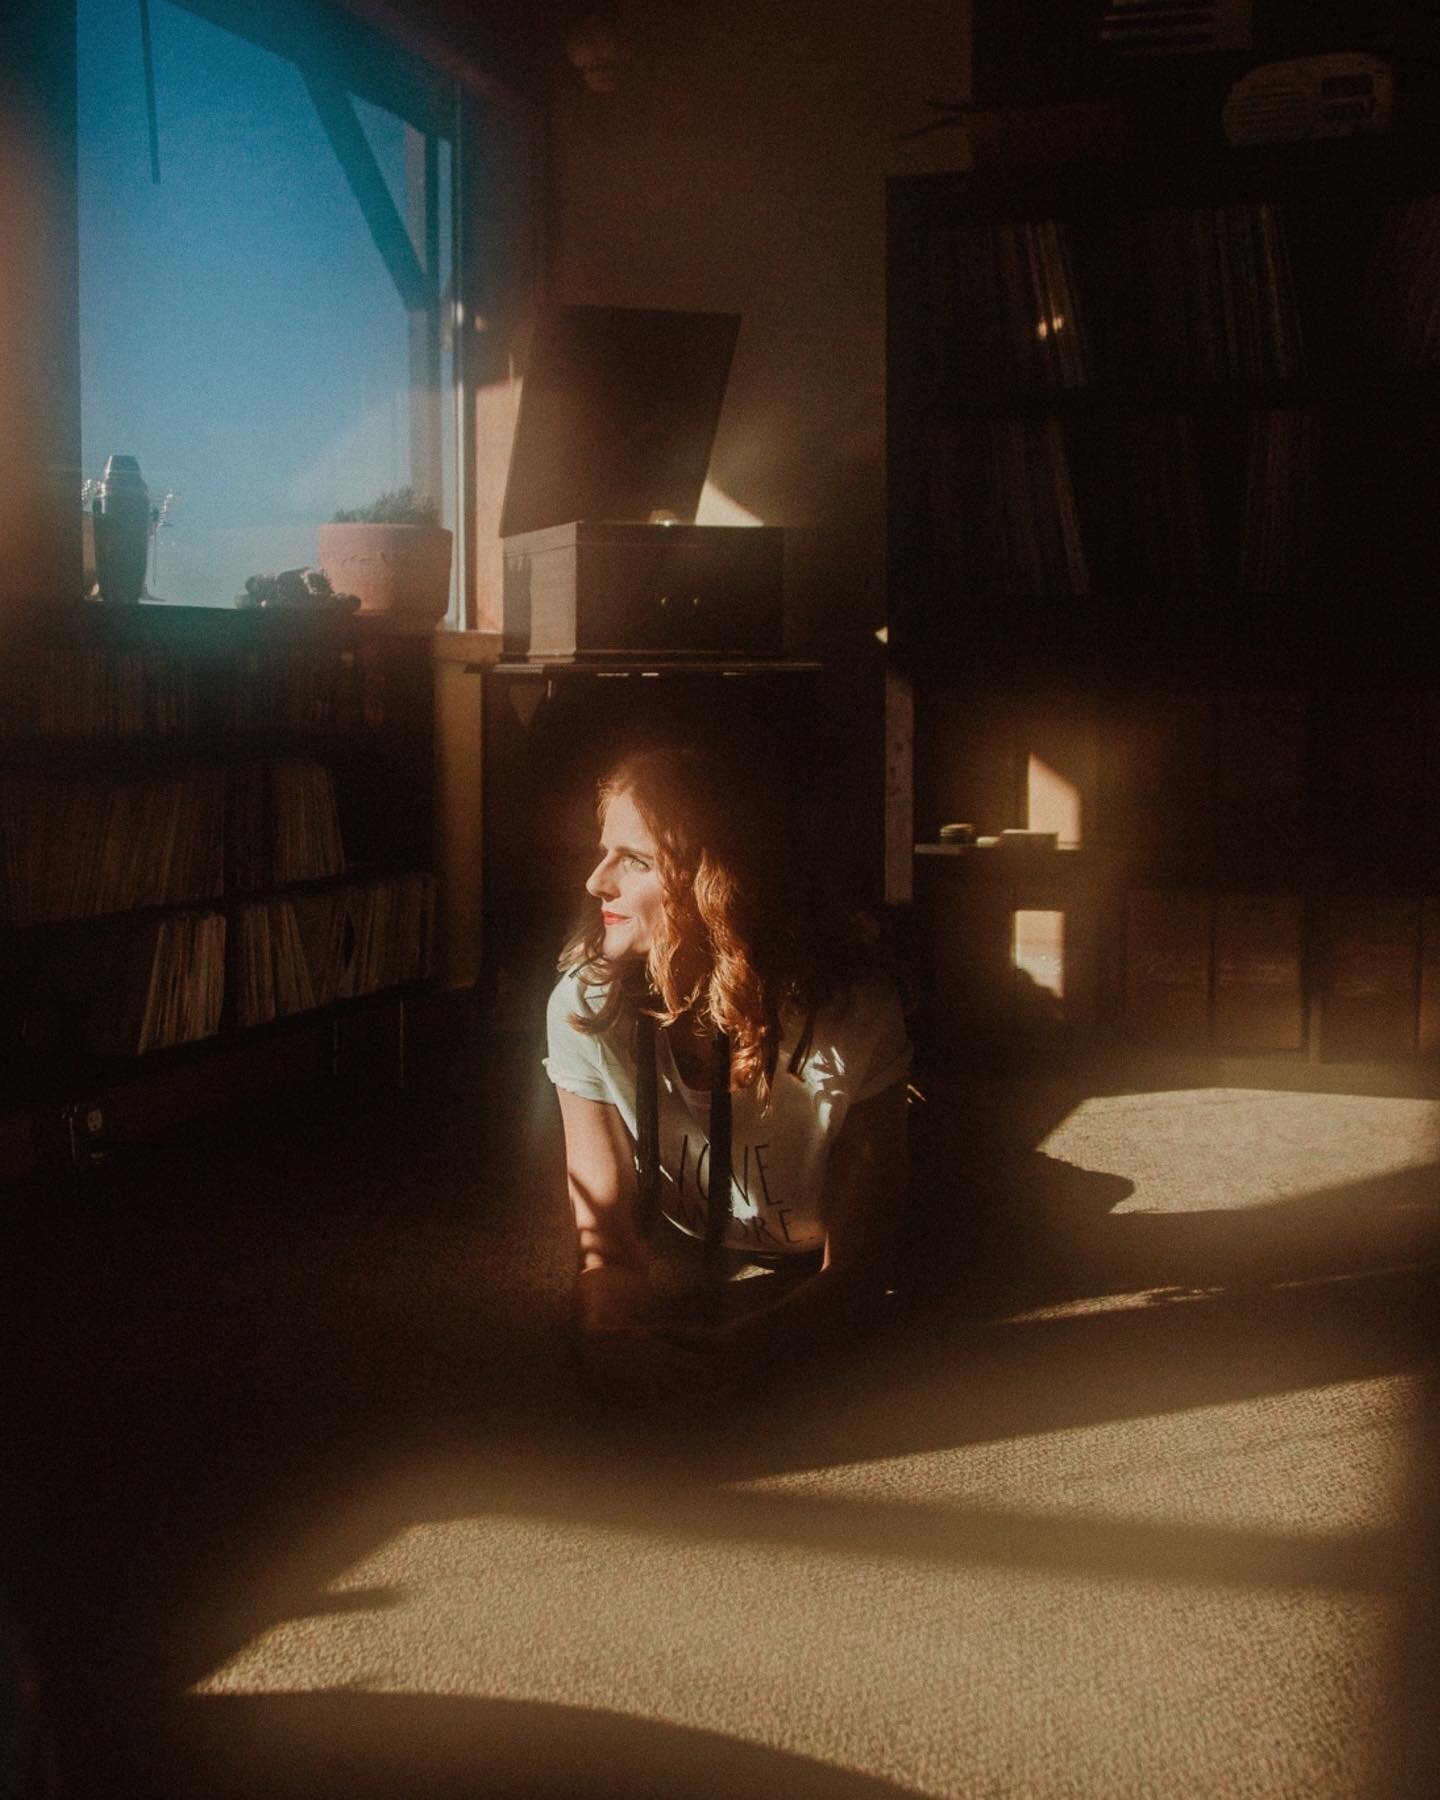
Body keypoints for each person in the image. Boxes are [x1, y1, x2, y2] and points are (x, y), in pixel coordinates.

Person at [543, 742, 912, 1411]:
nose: (597, 881)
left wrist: (743, 1354)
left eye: (634, 860)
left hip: (854, 1216)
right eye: (603, 852)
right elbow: (610, 1251)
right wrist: (607, 1343)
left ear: (715, 882)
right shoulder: (584, 1010)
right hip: (723, 1230)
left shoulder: (854, 1014)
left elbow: (859, 1274)